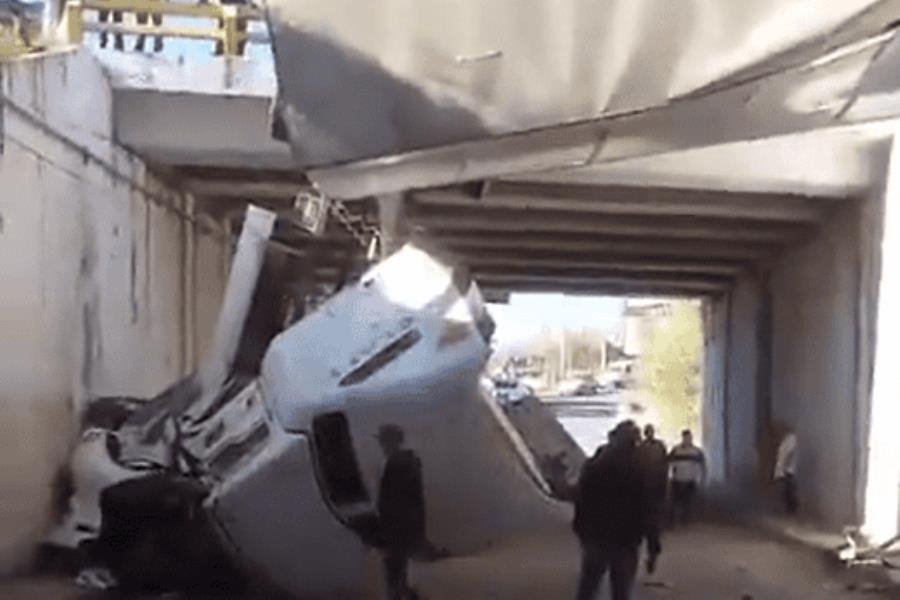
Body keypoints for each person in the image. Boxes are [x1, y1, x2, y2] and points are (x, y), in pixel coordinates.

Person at [573, 420, 649, 600]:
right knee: (621, 591)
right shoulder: (637, 468)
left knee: (588, 588)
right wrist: (647, 537)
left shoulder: (594, 465)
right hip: (625, 539)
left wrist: (582, 530)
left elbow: (582, 499)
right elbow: (645, 505)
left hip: (596, 536)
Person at [376, 424, 425, 600]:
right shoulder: (410, 461)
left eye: (383, 440)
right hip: (405, 524)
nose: (382, 445)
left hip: (396, 525)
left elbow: (390, 500)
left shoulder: (395, 464)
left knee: (394, 572)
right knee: (398, 571)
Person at [638, 424, 668, 574]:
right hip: (649, 492)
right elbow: (665, 466)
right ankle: (652, 552)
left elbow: (665, 466)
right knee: (651, 526)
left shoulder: (641, 449)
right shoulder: (654, 447)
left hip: (649, 492)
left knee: (650, 525)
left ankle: (652, 552)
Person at [668, 429, 706, 526]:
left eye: (689, 438)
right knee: (676, 501)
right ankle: (674, 520)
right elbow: (669, 463)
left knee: (688, 501)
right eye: (685, 438)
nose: (687, 439)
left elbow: (702, 466)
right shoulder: (676, 450)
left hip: (690, 479)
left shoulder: (697, 451)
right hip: (678, 479)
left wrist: (702, 479)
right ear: (683, 438)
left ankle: (685, 520)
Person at [773, 428, 798, 514]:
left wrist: (783, 469)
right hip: (785, 470)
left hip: (787, 470)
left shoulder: (790, 439)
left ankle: (791, 510)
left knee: (788, 491)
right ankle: (789, 510)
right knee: (786, 491)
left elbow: (788, 454)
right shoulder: (785, 441)